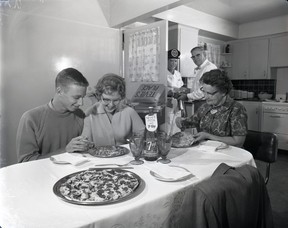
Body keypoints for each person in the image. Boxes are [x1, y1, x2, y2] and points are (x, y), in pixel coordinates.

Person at [16, 68, 90, 162]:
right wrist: (65, 151)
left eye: (83, 97)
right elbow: (25, 161)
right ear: (59, 91)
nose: (81, 103)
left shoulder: (80, 115)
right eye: (76, 97)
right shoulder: (30, 118)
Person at [176, 69, 248, 147]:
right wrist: (180, 121)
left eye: (210, 93)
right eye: (204, 91)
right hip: (207, 152)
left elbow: (238, 141)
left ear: (223, 92)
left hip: (229, 155)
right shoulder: (205, 107)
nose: (206, 96)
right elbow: (192, 121)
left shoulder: (236, 109)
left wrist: (208, 136)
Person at [82, 73, 145, 146]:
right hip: (99, 156)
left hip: (125, 156)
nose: (111, 105)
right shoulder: (89, 114)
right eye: (106, 100)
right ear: (99, 96)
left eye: (116, 100)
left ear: (121, 98)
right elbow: (85, 143)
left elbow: (144, 137)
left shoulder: (129, 112)